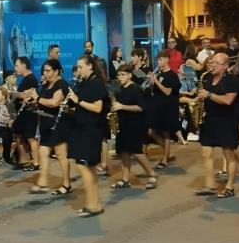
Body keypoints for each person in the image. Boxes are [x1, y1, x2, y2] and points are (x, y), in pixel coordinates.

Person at [194, 53, 239, 198]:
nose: (213, 65)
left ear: (226, 66)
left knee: (229, 155)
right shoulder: (207, 78)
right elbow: (204, 96)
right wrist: (198, 99)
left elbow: (228, 100)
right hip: (210, 120)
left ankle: (229, 187)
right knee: (206, 152)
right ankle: (210, 185)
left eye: (217, 63)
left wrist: (209, 95)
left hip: (226, 121)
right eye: (212, 62)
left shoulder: (233, 81)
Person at [66, 55, 108, 217]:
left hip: (90, 131)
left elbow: (98, 108)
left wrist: (78, 101)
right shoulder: (85, 82)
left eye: (81, 67)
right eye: (77, 67)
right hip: (83, 129)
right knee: (89, 168)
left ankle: (93, 205)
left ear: (90, 66)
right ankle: (94, 204)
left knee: (83, 167)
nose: (78, 70)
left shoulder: (95, 83)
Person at [27, 59, 72, 194]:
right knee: (43, 152)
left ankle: (67, 184)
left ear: (56, 71)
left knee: (61, 154)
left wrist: (38, 98)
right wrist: (33, 103)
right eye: (44, 71)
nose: (45, 74)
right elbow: (43, 102)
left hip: (58, 124)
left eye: (48, 71)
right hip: (45, 124)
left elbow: (54, 103)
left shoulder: (61, 84)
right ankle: (43, 182)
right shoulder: (45, 85)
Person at [111, 64, 158, 190]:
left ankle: (152, 174)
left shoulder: (136, 89)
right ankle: (125, 179)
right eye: (118, 75)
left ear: (130, 75)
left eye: (123, 75)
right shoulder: (120, 88)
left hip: (135, 124)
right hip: (123, 124)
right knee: (124, 151)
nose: (120, 77)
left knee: (136, 152)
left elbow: (141, 107)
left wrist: (122, 107)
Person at [146, 50, 181, 170]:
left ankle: (165, 159)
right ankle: (167, 151)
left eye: (160, 60)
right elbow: (155, 90)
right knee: (150, 131)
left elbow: (167, 92)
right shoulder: (159, 74)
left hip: (167, 108)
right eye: (158, 60)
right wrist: (151, 81)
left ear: (167, 59)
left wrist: (155, 80)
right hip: (157, 106)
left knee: (166, 133)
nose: (158, 62)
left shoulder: (172, 75)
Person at [10, 56, 40, 171]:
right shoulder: (25, 79)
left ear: (24, 65)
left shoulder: (31, 79)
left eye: (17, 65)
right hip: (22, 114)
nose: (15, 68)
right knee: (18, 135)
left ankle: (36, 163)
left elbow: (26, 95)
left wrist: (12, 91)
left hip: (29, 113)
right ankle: (23, 160)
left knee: (31, 138)